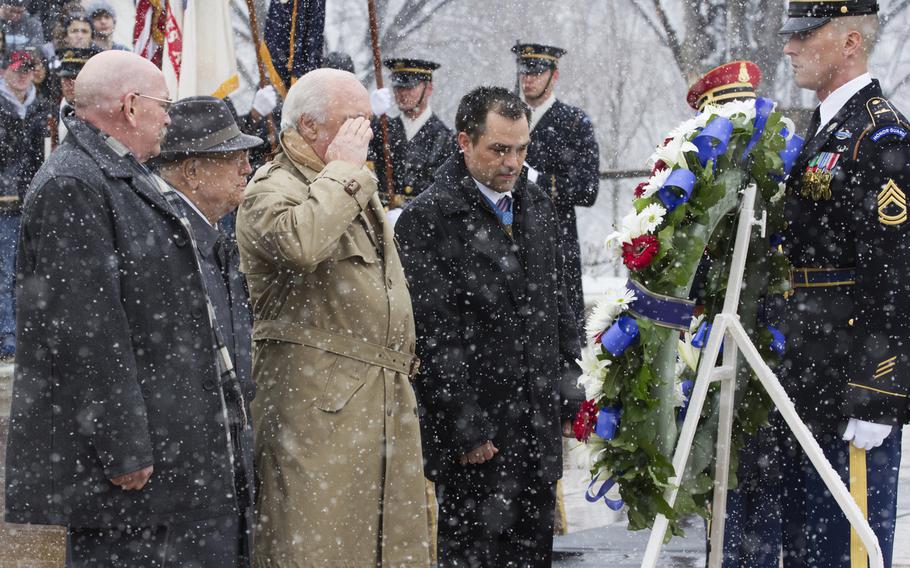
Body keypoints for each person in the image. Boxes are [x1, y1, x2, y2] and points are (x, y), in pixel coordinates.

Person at [4, 50, 254, 568]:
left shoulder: (117, 174)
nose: (169, 117)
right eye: (164, 105)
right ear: (132, 106)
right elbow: (84, 331)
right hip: (125, 474)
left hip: (163, 459)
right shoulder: (74, 184)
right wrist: (123, 446)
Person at [235, 68, 429, 566]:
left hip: (377, 403)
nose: (364, 133)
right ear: (310, 126)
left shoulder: (346, 180)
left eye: (367, 120)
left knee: (388, 548)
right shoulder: (273, 187)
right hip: (317, 411)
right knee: (316, 546)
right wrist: (344, 172)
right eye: (352, 121)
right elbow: (301, 244)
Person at [395, 86, 584, 567]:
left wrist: (569, 393)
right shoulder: (427, 219)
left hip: (535, 425)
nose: (513, 162)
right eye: (499, 149)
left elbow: (558, 310)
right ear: (464, 141)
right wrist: (466, 428)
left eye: (521, 148)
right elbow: (435, 336)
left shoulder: (538, 206)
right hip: (477, 437)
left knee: (534, 554)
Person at [773, 1, 909, 566]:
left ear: (851, 42)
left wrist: (881, 392)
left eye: (806, 34)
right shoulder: (828, 126)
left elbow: (897, 273)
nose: (789, 47)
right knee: (806, 548)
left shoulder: (877, 134)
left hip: (849, 382)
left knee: (846, 550)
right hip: (807, 372)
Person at [151, 95, 263, 566]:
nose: (246, 166)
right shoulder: (169, 238)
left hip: (218, 457)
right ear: (193, 172)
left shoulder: (208, 232)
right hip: (191, 470)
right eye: (232, 157)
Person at [512, 42, 600, 336]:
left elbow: (588, 189)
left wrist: (542, 181)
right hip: (510, 233)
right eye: (525, 71)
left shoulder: (574, 122)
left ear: (554, 75)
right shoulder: (507, 117)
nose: (529, 79)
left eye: (537, 72)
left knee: (561, 329)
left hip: (555, 236)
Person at [0, 49, 47, 359]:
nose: (22, 74)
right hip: (3, 201)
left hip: (31, 200)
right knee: (4, 271)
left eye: (27, 69)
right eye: (17, 68)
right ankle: (7, 333)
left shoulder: (42, 108)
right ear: (5, 70)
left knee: (28, 271)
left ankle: (26, 332)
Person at [368, 57, 457, 207]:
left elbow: (446, 195)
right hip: (383, 221)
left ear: (429, 88)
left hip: (422, 224)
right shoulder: (381, 129)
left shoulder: (446, 139)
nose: (402, 93)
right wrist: (369, 113)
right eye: (398, 87)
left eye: (410, 87)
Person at [52, 46, 97, 143]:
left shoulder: (98, 115)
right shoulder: (50, 113)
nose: (70, 84)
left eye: (75, 77)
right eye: (65, 78)